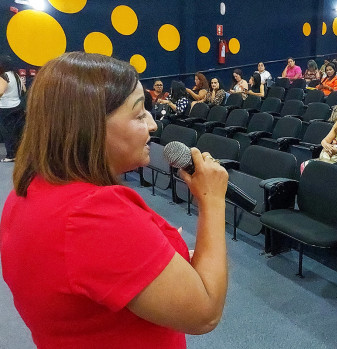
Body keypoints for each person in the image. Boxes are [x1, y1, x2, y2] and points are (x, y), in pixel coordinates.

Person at [0, 52, 229, 348]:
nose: (152, 125)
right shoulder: (93, 215)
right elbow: (205, 313)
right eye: (138, 114)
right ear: (90, 126)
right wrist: (212, 200)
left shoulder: (31, 189)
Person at [0, 55, 25, 162]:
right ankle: (19, 154)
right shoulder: (16, 76)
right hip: (18, 106)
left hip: (6, 108)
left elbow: (1, 91)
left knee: (7, 132)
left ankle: (11, 155)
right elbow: (23, 89)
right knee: (17, 132)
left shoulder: (4, 76)